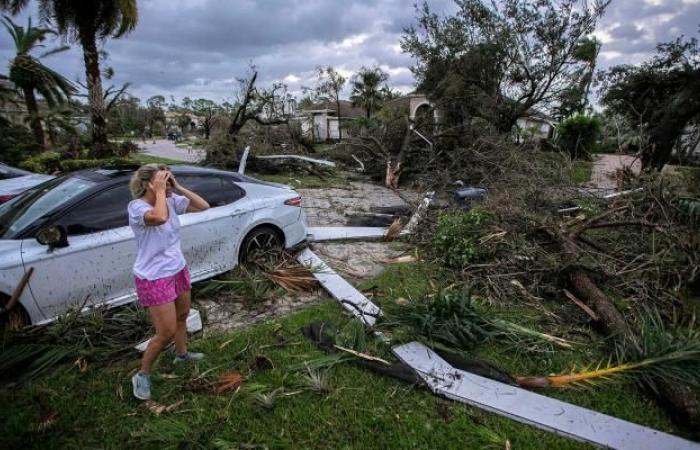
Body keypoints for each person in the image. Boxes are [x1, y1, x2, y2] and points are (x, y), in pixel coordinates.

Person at [128, 164, 210, 400]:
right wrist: (161, 192)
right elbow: (159, 217)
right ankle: (142, 374)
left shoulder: (172, 200)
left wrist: (177, 186)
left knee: (183, 317)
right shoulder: (137, 207)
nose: (166, 183)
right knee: (165, 332)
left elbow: (203, 205)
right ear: (148, 185)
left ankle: (182, 354)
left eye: (167, 179)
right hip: (154, 277)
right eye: (161, 180)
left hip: (177, 269)